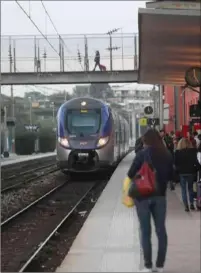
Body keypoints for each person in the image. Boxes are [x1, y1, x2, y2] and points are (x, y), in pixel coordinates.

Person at [127, 129, 173, 272]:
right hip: (160, 196)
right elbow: (172, 175)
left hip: (142, 196)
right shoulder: (167, 154)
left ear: (146, 140)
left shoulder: (142, 154)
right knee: (161, 230)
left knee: (145, 231)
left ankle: (148, 265)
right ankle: (159, 265)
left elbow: (130, 173)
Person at [174, 138, 198, 211]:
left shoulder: (177, 152)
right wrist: (196, 169)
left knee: (183, 190)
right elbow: (196, 162)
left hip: (182, 173)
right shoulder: (193, 151)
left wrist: (177, 171)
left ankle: (186, 206)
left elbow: (175, 163)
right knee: (190, 189)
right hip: (191, 172)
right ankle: (191, 204)